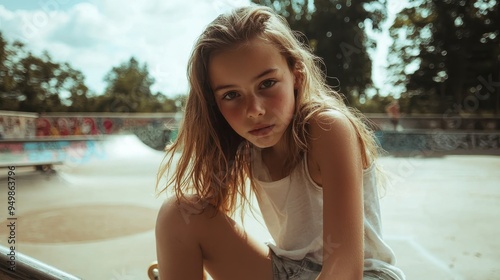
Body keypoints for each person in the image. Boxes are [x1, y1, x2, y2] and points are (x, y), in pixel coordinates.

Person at [155, 5, 406, 280]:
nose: (254, 110)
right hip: (290, 271)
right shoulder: (245, 147)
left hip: (362, 275)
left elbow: (344, 267)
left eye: (267, 84)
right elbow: (202, 229)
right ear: (214, 103)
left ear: (296, 74)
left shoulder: (327, 128)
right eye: (231, 95)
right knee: (178, 216)